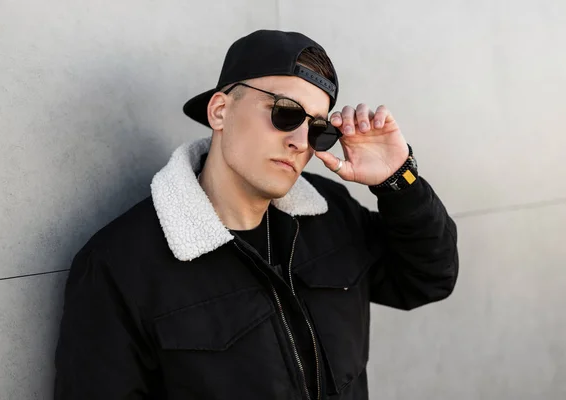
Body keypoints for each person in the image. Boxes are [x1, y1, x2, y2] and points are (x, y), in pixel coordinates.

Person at [54, 29, 458, 400]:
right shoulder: (120, 265)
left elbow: (426, 279)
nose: (301, 142)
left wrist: (399, 180)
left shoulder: (331, 214)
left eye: (319, 129)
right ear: (220, 111)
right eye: (285, 112)